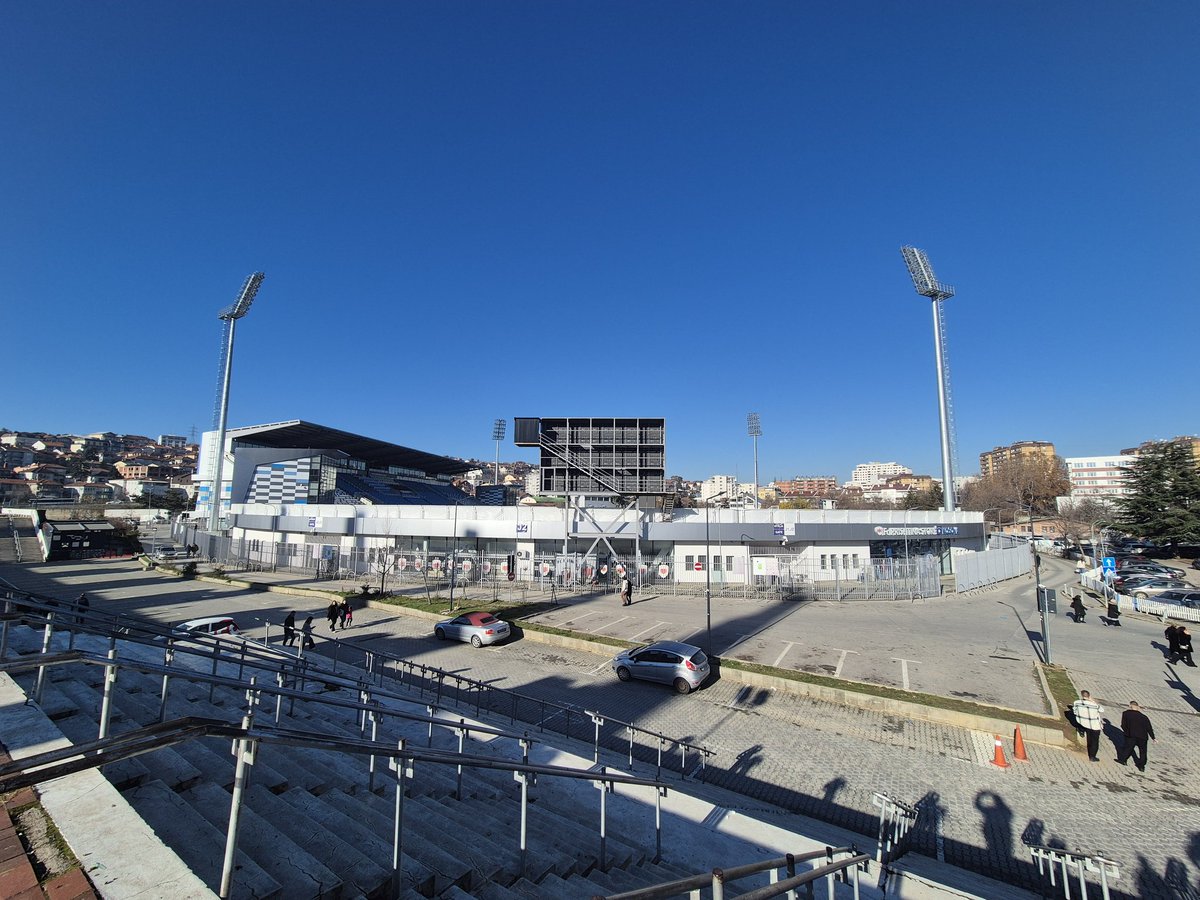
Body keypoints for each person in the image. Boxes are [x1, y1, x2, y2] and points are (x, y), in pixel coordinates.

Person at [1116, 701, 1155, 771]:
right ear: (1138, 707)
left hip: (1131, 735)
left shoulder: (1126, 714)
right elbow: (1149, 728)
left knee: (1128, 748)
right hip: (1142, 736)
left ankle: (1123, 760)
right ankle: (1141, 766)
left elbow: (1123, 725)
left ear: (1130, 706)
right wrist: (1153, 737)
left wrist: (1126, 732)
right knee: (1143, 751)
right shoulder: (1144, 717)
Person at [1071, 690, 1104, 762]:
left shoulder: (1077, 702)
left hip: (1085, 723)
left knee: (1089, 739)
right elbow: (1102, 710)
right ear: (1089, 696)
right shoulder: (1094, 705)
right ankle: (1092, 756)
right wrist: (1092, 701)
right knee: (1095, 741)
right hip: (1095, 725)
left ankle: (1089, 751)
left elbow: (1075, 711)